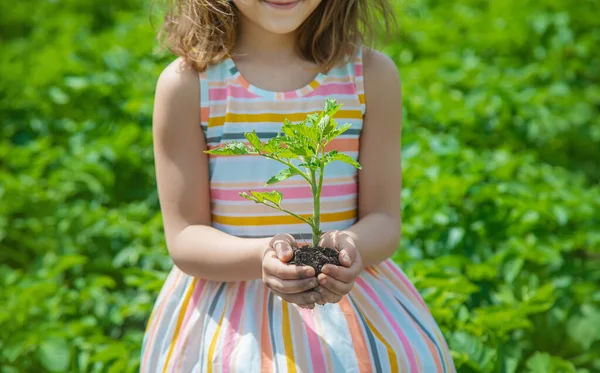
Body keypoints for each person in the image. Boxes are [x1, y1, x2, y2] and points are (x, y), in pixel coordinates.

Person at [141, 0, 456, 372]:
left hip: (348, 298)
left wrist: (349, 247)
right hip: (231, 317)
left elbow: (384, 219)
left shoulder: (370, 75)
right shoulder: (189, 83)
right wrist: (263, 258)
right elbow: (186, 236)